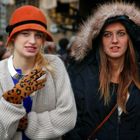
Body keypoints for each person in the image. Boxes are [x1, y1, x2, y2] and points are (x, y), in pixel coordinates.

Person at [63, 2, 140, 140]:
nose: (114, 40)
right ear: (100, 40)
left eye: (121, 34)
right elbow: (71, 125)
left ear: (129, 39)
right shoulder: (83, 77)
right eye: (107, 35)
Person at [0, 5, 77, 140]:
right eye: (25, 34)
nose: (32, 41)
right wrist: (13, 99)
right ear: (13, 37)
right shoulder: (1, 71)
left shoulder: (54, 66)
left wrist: (27, 123)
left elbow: (68, 117)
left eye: (38, 35)